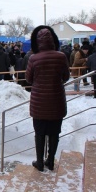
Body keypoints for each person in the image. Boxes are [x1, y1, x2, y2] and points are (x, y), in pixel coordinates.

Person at [25, 25, 70, 172]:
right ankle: (50, 161)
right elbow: (66, 77)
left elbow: (28, 79)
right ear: (52, 40)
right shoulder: (61, 56)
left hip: (39, 103)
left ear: (38, 42)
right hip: (56, 102)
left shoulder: (33, 58)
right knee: (54, 133)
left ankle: (39, 162)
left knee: (39, 134)